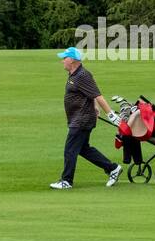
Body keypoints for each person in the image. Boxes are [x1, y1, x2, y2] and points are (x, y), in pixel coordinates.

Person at [49, 46, 123, 190]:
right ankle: (113, 168)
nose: (62, 61)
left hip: (81, 120)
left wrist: (110, 114)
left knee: (70, 149)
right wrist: (95, 106)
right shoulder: (74, 74)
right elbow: (89, 93)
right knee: (83, 149)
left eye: (65, 58)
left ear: (72, 60)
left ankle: (66, 181)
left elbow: (97, 95)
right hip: (79, 118)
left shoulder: (82, 75)